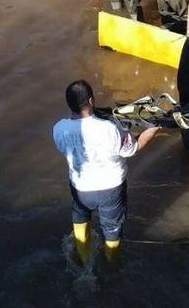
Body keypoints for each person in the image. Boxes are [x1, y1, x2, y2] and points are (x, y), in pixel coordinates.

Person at [52, 80, 160, 263]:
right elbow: (132, 149)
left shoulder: (59, 128)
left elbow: (66, 148)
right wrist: (155, 127)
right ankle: (111, 265)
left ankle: (85, 264)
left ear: (69, 103)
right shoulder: (110, 128)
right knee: (111, 229)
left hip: (80, 188)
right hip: (110, 189)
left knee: (80, 218)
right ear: (92, 101)